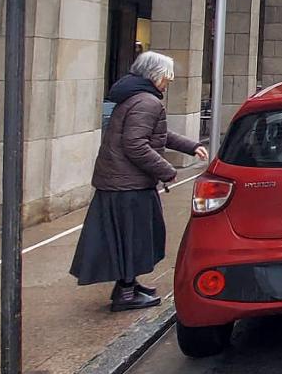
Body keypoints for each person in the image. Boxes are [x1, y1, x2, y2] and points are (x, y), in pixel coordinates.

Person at [70, 51, 208, 311]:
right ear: (156, 75)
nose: (169, 81)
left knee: (128, 237)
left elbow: (158, 133)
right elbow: (135, 144)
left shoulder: (135, 98)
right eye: (167, 76)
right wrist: (166, 170)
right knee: (133, 237)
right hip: (128, 184)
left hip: (119, 182)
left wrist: (191, 146)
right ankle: (125, 293)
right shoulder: (147, 102)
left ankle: (128, 284)